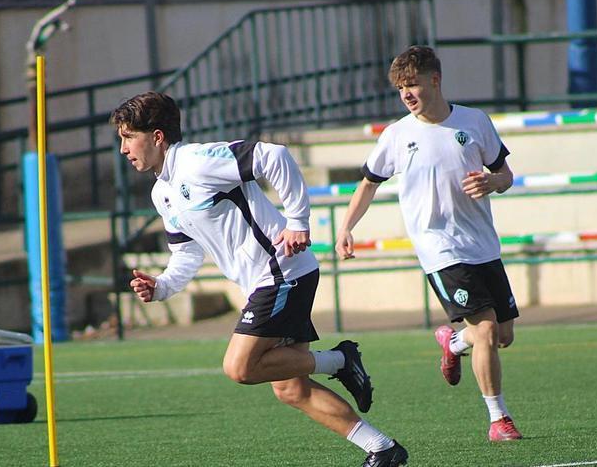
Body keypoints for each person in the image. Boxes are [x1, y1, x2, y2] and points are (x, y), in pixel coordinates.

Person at [111, 91, 409, 466]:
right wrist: (162, 285)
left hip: (281, 273)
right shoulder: (162, 192)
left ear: (156, 136)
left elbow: (275, 156)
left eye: (128, 136)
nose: (123, 148)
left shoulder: (196, 161)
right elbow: (186, 252)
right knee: (290, 388)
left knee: (239, 368)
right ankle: (383, 449)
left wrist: (298, 222)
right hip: (266, 281)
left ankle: (340, 360)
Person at [335, 46, 523, 442]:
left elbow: (505, 173)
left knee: (502, 335)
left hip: (483, 244)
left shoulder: (474, 121)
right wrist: (346, 227)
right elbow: (368, 183)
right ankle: (498, 419)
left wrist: (494, 182)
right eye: (400, 88)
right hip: (439, 248)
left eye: (412, 84)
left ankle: (453, 342)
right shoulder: (397, 135)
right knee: (486, 331)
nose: (406, 94)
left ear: (434, 81)